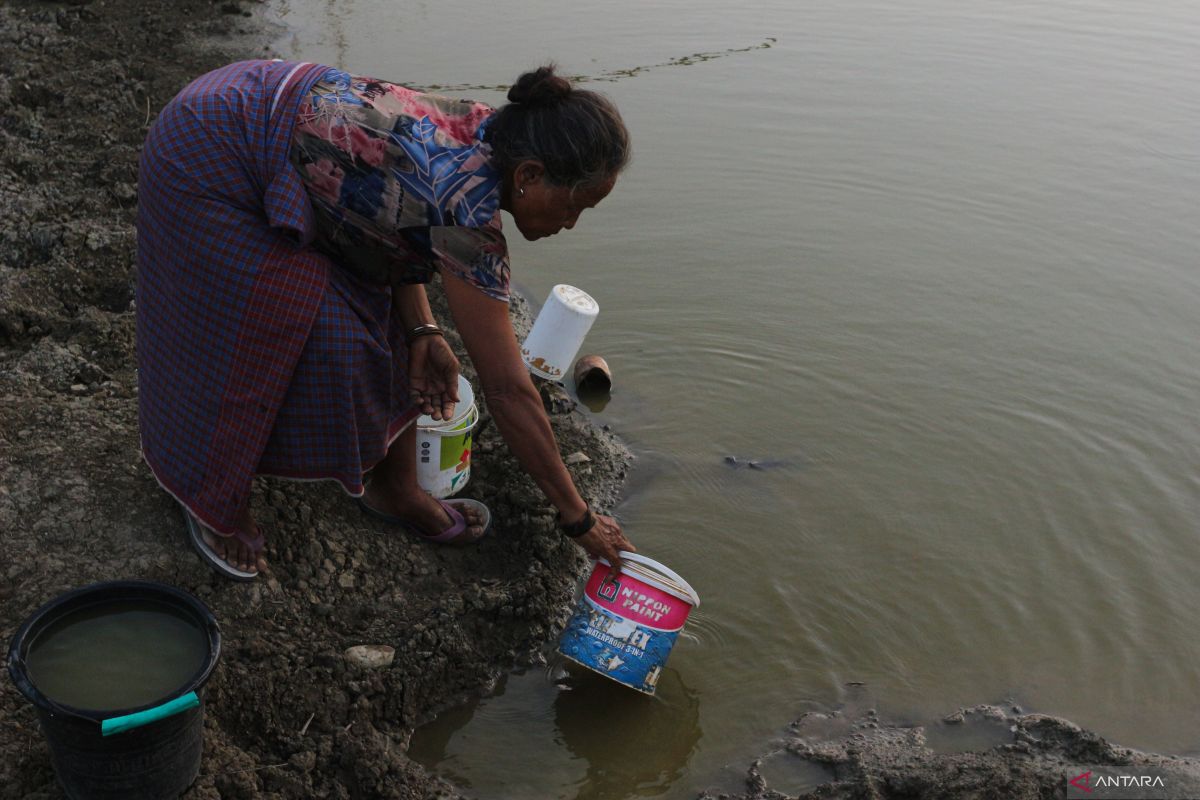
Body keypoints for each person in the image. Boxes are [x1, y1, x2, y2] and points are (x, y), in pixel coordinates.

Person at [136, 59, 635, 581]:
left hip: (267, 116)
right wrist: (579, 520)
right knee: (258, 330)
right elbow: (509, 391)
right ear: (529, 175)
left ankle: (397, 489)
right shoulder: (466, 211)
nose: (571, 224)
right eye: (574, 207)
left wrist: (425, 330)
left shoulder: (493, 133)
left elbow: (400, 224)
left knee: (380, 335)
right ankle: (210, 497)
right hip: (208, 150)